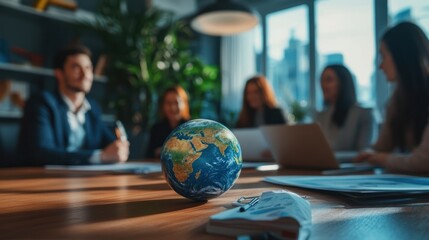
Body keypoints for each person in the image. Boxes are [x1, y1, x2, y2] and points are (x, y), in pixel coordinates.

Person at [18, 45, 129, 166]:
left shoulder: (92, 107)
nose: (85, 74)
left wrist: (119, 149)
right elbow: (42, 153)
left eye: (88, 67)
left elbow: (109, 142)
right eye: (76, 67)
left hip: (85, 179)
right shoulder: (42, 103)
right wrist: (99, 156)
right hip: (45, 180)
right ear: (59, 74)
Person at [356, 22, 429, 173]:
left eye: (383, 56)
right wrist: (370, 155)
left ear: (402, 55)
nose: (380, 66)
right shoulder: (399, 98)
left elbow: (424, 161)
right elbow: (381, 147)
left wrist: (380, 158)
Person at [315, 64, 377, 151]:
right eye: (321, 81)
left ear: (342, 83)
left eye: (328, 80)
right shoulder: (321, 115)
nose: (323, 85)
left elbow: (363, 154)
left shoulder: (364, 114)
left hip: (346, 164)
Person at [146, 85, 190, 158]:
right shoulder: (156, 129)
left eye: (176, 102)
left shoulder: (192, 128)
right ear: (163, 105)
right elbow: (149, 156)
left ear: (184, 104)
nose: (173, 108)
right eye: (168, 103)